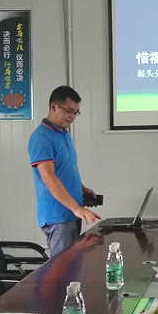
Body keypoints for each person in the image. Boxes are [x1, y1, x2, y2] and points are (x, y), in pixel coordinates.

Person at [29, 86, 101, 257]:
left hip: (72, 211)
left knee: (74, 264)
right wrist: (77, 209)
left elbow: (66, 169)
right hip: (58, 215)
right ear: (54, 106)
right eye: (69, 111)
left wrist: (82, 188)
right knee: (63, 267)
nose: (72, 116)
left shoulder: (64, 134)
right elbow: (48, 177)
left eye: (76, 113)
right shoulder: (42, 137)